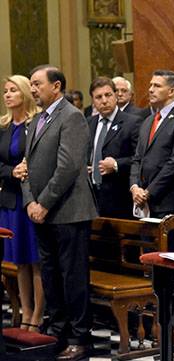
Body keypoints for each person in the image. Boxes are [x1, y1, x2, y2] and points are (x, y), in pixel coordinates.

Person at [24, 65, 98, 360]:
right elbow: (26, 166)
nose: (33, 88)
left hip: (68, 211)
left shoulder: (72, 116)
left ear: (56, 86)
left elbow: (68, 167)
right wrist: (30, 200)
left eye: (37, 83)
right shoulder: (38, 119)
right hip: (41, 210)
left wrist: (43, 203)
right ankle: (56, 331)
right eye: (30, 83)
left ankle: (80, 337)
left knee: (72, 277)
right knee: (52, 276)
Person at [0, 75, 45, 333]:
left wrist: (25, 170)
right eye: (5, 91)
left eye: (13, 90)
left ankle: (38, 313)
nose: (7, 95)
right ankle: (25, 309)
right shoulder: (4, 126)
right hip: (10, 199)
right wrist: (11, 172)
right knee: (19, 260)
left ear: (25, 93)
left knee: (35, 257)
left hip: (32, 198)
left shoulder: (36, 123)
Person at [129, 70, 174, 220]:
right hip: (141, 201)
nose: (150, 89)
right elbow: (137, 158)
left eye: (157, 86)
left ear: (171, 91)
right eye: (151, 85)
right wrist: (134, 187)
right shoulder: (148, 121)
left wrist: (149, 192)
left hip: (167, 202)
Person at [87, 77, 142, 219]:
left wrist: (117, 164)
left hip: (120, 197)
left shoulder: (132, 122)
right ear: (93, 101)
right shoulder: (89, 123)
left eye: (108, 95)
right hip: (92, 197)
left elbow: (139, 159)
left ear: (115, 96)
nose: (104, 100)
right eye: (98, 97)